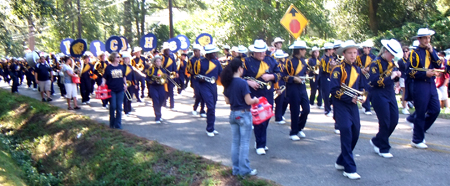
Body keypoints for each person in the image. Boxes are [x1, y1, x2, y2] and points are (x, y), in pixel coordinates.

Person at [331, 40, 364, 180]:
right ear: (344, 54)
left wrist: (363, 97)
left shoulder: (357, 69)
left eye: (355, 53)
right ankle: (349, 168)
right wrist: (348, 98)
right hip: (341, 104)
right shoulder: (338, 69)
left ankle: (340, 160)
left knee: (356, 131)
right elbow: (334, 90)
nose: (352, 55)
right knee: (346, 131)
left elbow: (362, 88)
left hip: (353, 104)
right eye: (350, 53)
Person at [222, 58, 259, 176]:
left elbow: (227, 101)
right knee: (244, 143)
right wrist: (255, 100)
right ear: (239, 69)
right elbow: (248, 101)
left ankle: (236, 169)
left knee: (235, 142)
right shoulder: (243, 83)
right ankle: (245, 170)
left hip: (233, 114)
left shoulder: (227, 82)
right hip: (244, 114)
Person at [243, 39, 281, 155]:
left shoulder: (271, 60)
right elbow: (239, 76)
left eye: (263, 51)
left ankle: (260, 140)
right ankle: (260, 144)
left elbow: (279, 74)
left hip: (268, 92)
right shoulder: (247, 62)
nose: (262, 54)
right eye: (259, 52)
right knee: (259, 119)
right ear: (253, 52)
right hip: (255, 94)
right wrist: (249, 83)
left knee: (267, 117)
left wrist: (271, 76)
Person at [407, 28, 442, 149]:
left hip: (431, 84)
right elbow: (409, 72)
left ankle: (420, 129)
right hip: (420, 84)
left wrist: (433, 52)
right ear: (419, 39)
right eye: (425, 38)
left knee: (436, 109)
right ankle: (417, 139)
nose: (427, 40)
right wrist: (424, 74)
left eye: (429, 38)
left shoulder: (431, 51)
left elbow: (438, 64)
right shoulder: (414, 53)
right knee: (421, 111)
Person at [368, 39, 403, 158]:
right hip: (378, 94)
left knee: (394, 120)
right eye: (391, 54)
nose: (393, 57)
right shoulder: (375, 63)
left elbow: (394, 78)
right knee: (385, 121)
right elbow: (373, 81)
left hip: (389, 93)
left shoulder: (392, 63)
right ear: (385, 51)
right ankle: (383, 147)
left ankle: (377, 140)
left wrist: (397, 76)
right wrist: (391, 77)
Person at [193, 44, 223, 137]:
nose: (215, 54)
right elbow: (195, 75)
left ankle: (211, 127)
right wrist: (200, 78)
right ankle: (209, 129)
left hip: (213, 86)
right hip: (204, 86)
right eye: (213, 52)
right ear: (209, 53)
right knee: (210, 106)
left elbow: (221, 73)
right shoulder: (199, 62)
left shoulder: (217, 62)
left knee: (212, 107)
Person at [284, 41, 311, 140]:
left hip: (302, 87)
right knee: (295, 110)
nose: (305, 51)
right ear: (300, 50)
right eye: (304, 49)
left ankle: (300, 127)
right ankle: (293, 131)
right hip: (293, 88)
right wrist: (293, 79)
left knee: (306, 109)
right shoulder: (289, 62)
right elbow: (283, 76)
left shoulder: (304, 61)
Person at [102, 52, 127, 129]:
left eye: (119, 57)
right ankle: (112, 123)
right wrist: (103, 83)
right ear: (113, 58)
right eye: (117, 57)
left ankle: (118, 124)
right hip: (111, 89)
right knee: (113, 106)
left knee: (119, 107)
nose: (119, 58)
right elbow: (104, 77)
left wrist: (125, 84)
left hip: (120, 89)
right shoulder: (108, 67)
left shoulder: (121, 67)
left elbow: (124, 76)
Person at [356, 40, 376, 115]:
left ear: (369, 48)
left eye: (366, 48)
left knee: (371, 91)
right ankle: (366, 107)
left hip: (370, 76)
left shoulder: (374, 57)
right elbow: (356, 66)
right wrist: (361, 70)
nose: (364, 49)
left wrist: (369, 69)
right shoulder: (359, 58)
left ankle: (369, 106)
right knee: (364, 91)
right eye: (363, 48)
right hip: (362, 77)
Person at [147, 56, 168, 123]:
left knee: (161, 100)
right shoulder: (151, 69)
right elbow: (147, 78)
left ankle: (159, 113)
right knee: (155, 101)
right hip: (153, 87)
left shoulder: (163, 70)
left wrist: (164, 81)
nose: (159, 62)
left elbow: (166, 78)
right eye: (157, 61)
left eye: (159, 61)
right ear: (154, 62)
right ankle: (157, 116)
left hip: (161, 87)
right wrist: (153, 81)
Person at [189, 44, 206, 117]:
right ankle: (195, 108)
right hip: (195, 79)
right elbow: (189, 70)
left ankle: (202, 110)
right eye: (195, 51)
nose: (196, 52)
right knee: (198, 95)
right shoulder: (191, 60)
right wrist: (195, 73)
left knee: (203, 95)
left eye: (197, 51)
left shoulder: (203, 59)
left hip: (203, 79)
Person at [273, 50, 289, 124]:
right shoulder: (275, 65)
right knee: (279, 101)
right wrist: (277, 87)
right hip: (278, 82)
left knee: (285, 100)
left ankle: (281, 114)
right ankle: (278, 117)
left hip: (284, 82)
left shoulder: (283, 64)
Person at [161, 42, 178, 110]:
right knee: (164, 90)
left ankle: (172, 105)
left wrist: (176, 72)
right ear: (164, 51)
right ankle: (164, 102)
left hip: (171, 75)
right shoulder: (161, 57)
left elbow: (174, 65)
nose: (168, 51)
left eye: (168, 49)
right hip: (164, 75)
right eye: (166, 50)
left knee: (171, 90)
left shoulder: (172, 56)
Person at [320, 42, 335, 117]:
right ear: (328, 50)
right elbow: (323, 69)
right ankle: (327, 110)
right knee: (326, 94)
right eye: (332, 50)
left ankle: (329, 106)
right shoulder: (323, 59)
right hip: (325, 77)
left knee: (333, 92)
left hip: (331, 76)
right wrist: (331, 66)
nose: (333, 51)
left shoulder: (332, 58)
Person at [398, 46, 411, 114]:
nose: (405, 53)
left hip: (409, 77)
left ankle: (407, 104)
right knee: (404, 92)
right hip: (403, 77)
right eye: (404, 51)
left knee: (409, 91)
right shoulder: (400, 61)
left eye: (406, 51)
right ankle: (404, 107)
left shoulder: (410, 59)